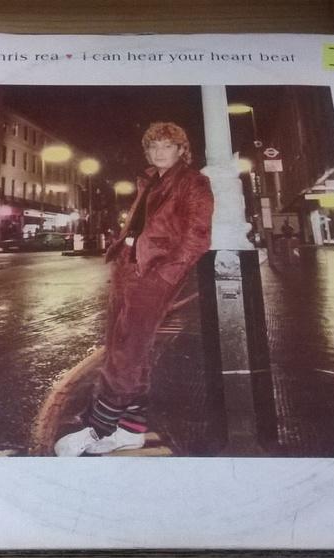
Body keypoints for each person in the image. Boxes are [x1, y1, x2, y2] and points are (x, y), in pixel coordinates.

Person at [55, 122, 214, 456]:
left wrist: (165, 276)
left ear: (181, 150)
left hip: (153, 275)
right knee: (124, 346)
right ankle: (131, 430)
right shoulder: (151, 180)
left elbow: (197, 236)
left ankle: (98, 428)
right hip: (129, 270)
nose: (159, 152)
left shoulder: (193, 182)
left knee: (127, 352)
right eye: (154, 147)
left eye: (167, 146)